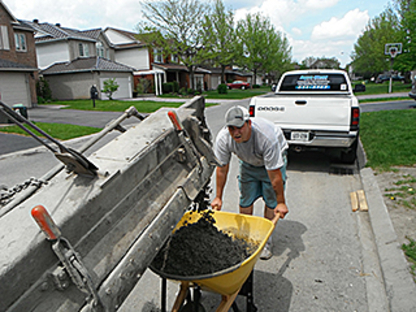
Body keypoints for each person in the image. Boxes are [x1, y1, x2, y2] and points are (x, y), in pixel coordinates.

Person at [211, 105, 289, 260]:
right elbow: (222, 169)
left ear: (249, 124)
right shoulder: (224, 138)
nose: (236, 132)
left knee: (270, 199)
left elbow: (275, 177)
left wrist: (281, 202)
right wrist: (218, 197)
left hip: (271, 164)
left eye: (239, 127)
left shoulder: (266, 137)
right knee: (246, 199)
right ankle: (246, 237)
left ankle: (266, 240)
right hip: (247, 163)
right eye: (231, 128)